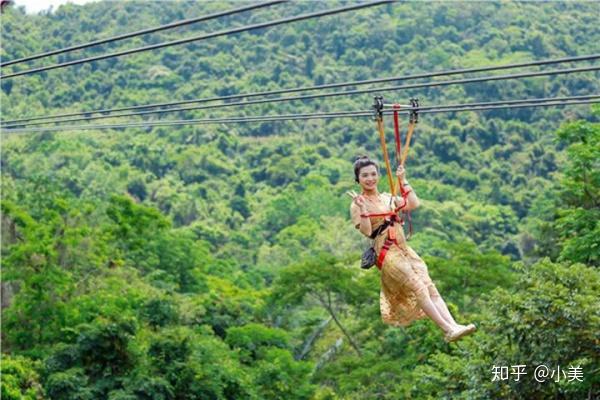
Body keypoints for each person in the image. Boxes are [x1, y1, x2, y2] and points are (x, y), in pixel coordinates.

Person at [347, 155, 476, 342]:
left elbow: (413, 203)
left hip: (403, 248)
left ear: (379, 175)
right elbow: (367, 231)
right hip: (386, 252)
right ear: (357, 179)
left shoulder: (387, 198)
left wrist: (403, 180)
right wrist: (363, 209)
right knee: (417, 286)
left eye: (373, 174)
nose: (370, 179)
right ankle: (447, 329)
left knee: (429, 286)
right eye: (365, 175)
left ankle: (454, 325)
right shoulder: (357, 204)